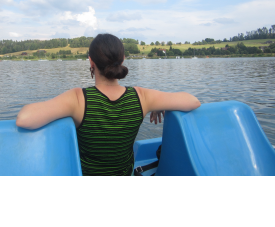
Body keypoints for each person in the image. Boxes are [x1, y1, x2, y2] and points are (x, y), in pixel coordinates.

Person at [16, 34, 201, 176]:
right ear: (123, 59)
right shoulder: (141, 97)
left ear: (91, 61)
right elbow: (193, 101)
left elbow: (25, 119)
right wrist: (162, 103)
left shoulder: (78, 99)